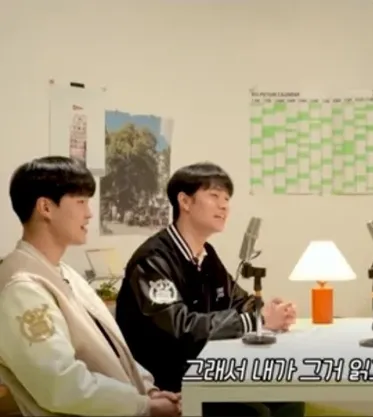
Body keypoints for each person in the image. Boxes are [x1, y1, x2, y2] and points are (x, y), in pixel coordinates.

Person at [116, 162, 304, 417]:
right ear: (185, 201)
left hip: (206, 367)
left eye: (226, 199)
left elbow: (236, 299)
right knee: (253, 412)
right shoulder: (153, 260)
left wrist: (268, 310)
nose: (224, 206)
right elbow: (180, 327)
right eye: (214, 196)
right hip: (166, 382)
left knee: (288, 396)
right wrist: (257, 320)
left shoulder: (206, 254)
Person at [0, 156, 180, 416]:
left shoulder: (64, 272)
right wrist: (144, 406)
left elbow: (110, 350)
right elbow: (62, 385)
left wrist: (148, 391)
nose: (89, 213)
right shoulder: (21, 289)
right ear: (46, 207)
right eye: (80, 201)